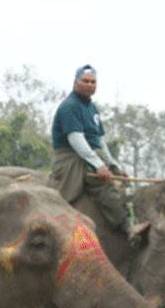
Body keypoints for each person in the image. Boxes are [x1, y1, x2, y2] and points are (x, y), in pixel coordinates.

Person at [49, 65, 144, 239]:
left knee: (117, 176)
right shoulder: (69, 106)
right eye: (85, 81)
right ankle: (126, 225)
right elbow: (76, 140)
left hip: (89, 154)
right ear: (76, 82)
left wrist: (113, 164)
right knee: (103, 182)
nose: (89, 85)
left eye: (93, 82)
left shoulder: (91, 108)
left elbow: (99, 141)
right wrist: (99, 166)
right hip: (70, 157)